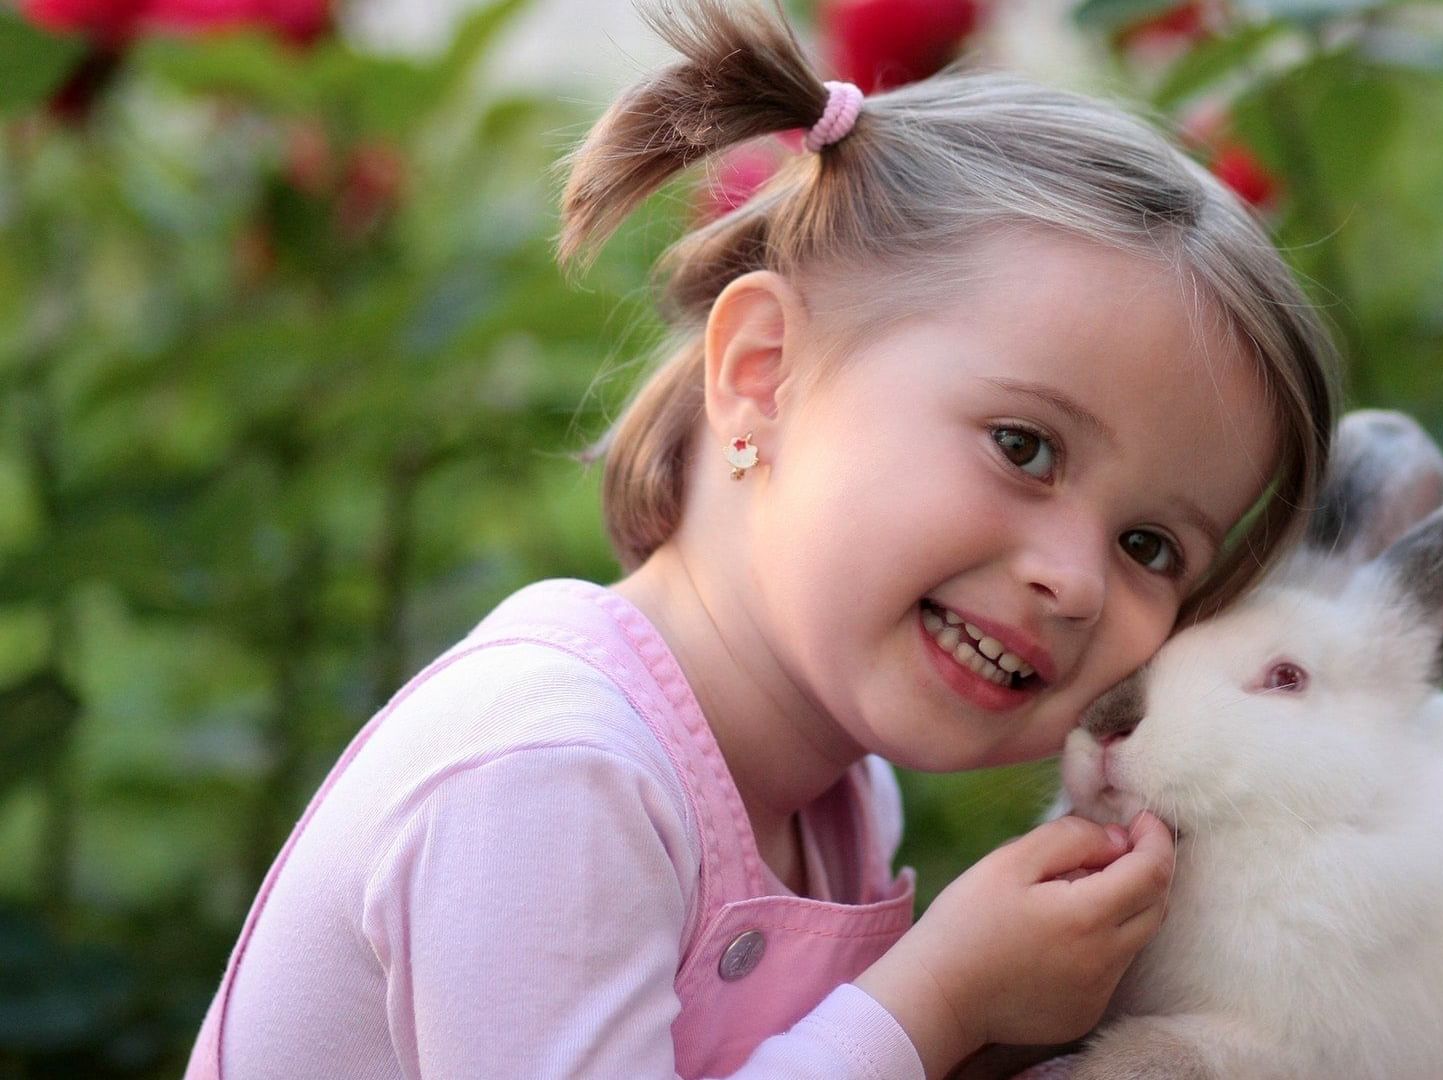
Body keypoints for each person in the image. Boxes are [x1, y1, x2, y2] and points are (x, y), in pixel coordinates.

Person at [183, 1, 1336, 1077]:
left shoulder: (837, 796)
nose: (1076, 580)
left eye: (1151, 546)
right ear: (764, 374)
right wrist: (938, 1003)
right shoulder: (554, 773)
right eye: (1024, 447)